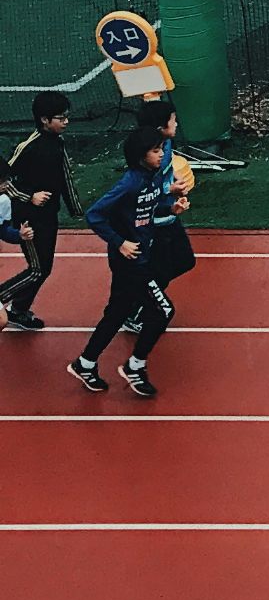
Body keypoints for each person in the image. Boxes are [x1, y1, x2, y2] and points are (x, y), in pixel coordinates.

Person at [67, 127, 188, 398]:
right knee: (163, 311)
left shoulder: (153, 178)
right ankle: (135, 366)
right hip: (131, 260)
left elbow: (150, 205)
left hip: (139, 255)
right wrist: (119, 242)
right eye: (155, 151)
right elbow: (94, 214)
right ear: (140, 156)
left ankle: (85, 364)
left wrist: (171, 208)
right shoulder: (129, 183)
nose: (161, 155)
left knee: (117, 313)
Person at [2, 90, 80, 329]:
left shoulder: (58, 143)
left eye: (67, 117)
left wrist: (75, 209)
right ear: (45, 120)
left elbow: (64, 175)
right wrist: (29, 197)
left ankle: (19, 310)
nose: (66, 122)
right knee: (37, 270)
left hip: (49, 216)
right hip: (28, 219)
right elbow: (5, 181)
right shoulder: (29, 147)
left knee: (43, 269)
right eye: (61, 118)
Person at [122, 99, 196, 336]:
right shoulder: (148, 158)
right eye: (173, 119)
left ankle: (139, 295)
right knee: (160, 271)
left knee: (185, 261)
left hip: (170, 216)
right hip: (154, 225)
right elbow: (145, 190)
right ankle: (133, 309)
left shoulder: (166, 145)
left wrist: (174, 193)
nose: (177, 122)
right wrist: (169, 192)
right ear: (160, 127)